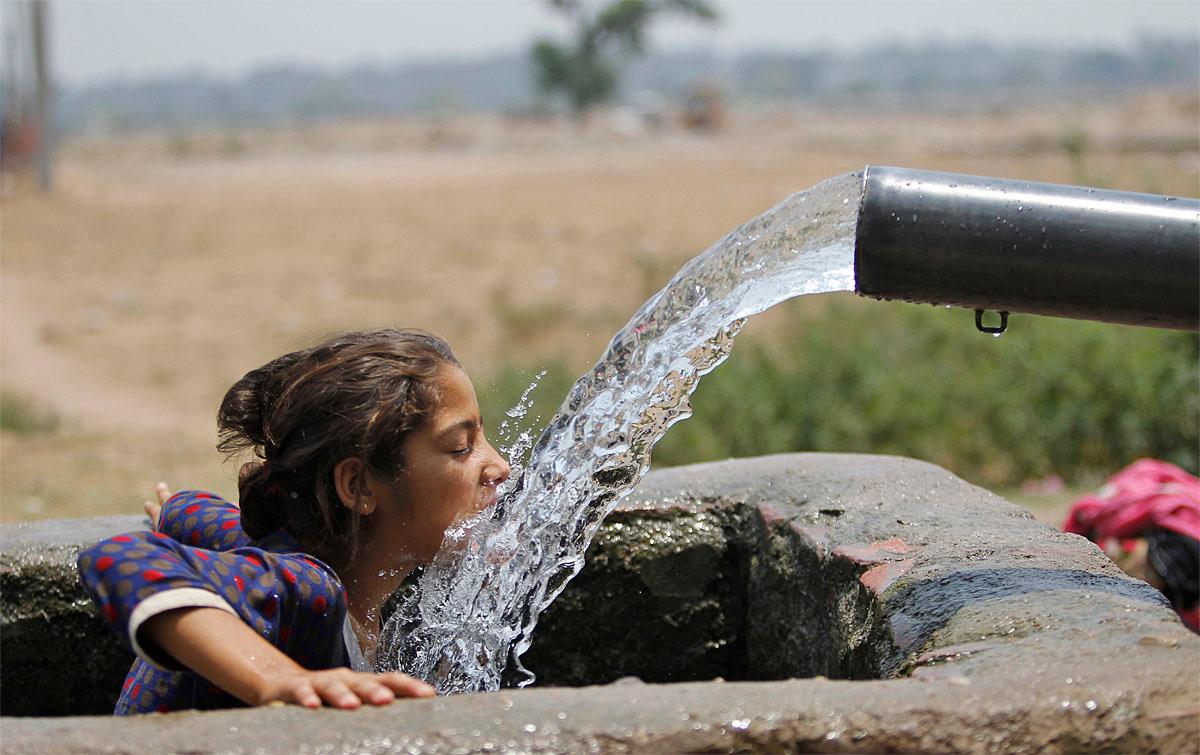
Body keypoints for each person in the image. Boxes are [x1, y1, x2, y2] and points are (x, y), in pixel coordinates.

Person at [77, 329, 511, 714]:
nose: (501, 466)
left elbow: (193, 513)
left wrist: (172, 514)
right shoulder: (307, 592)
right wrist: (276, 678)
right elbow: (119, 557)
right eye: (460, 447)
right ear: (359, 486)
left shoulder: (268, 543)